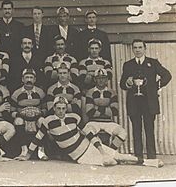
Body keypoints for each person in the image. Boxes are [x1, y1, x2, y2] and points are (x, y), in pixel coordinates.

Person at [16, 96, 164, 168]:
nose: (61, 111)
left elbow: (88, 132)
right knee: (113, 162)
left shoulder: (74, 117)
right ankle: (145, 162)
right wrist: (27, 155)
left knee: (119, 156)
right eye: (58, 108)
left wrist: (101, 150)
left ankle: (150, 162)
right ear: (54, 108)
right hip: (81, 156)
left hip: (90, 146)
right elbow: (37, 139)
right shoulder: (47, 121)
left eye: (63, 108)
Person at [120, 39, 171, 163]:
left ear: (144, 49)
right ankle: (138, 157)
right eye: (135, 48)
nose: (137, 50)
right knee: (136, 130)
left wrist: (156, 86)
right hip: (134, 102)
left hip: (149, 102)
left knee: (149, 129)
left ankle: (151, 157)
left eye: (140, 47)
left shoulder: (152, 63)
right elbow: (122, 84)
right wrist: (127, 83)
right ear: (132, 49)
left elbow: (167, 75)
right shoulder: (128, 64)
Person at [85, 68, 126, 149]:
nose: (101, 80)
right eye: (98, 78)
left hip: (108, 122)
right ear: (94, 79)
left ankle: (111, 151)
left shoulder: (112, 92)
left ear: (107, 79)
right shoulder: (90, 92)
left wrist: (97, 107)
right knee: (87, 130)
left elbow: (115, 111)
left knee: (123, 133)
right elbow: (89, 111)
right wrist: (106, 108)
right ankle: (100, 151)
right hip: (94, 122)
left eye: (103, 78)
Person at [11, 69, 46, 158]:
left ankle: (41, 150)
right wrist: (22, 115)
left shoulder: (40, 92)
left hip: (37, 118)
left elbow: (45, 109)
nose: (29, 80)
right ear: (22, 79)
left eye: (31, 77)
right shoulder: (16, 93)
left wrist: (37, 114)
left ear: (35, 79)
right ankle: (24, 149)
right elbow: (12, 111)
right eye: (27, 77)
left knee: (42, 121)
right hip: (22, 118)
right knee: (18, 121)